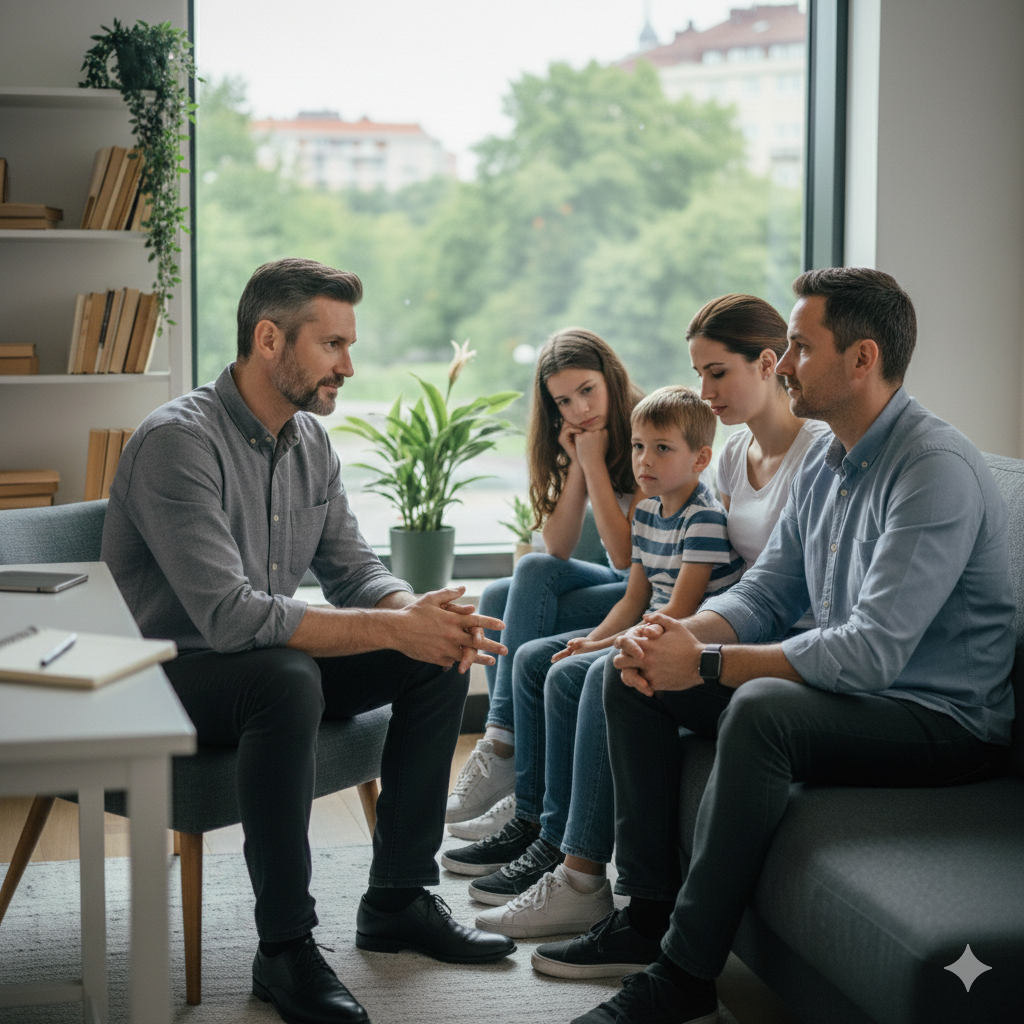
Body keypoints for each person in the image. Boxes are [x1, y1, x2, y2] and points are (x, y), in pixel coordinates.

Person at [565, 267, 1015, 1024]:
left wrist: (707, 663)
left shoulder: (931, 471)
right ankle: (648, 916)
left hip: (941, 720)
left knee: (766, 710)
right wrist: (677, 634)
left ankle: (683, 976)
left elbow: (872, 652)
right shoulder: (828, 459)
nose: (782, 362)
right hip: (860, 693)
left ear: (862, 359)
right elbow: (768, 593)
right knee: (627, 676)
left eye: (800, 348)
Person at [101, 258, 515, 1024]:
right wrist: (398, 622)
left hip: (261, 664)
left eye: (348, 346)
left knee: (435, 653)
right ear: (269, 339)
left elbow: (353, 568)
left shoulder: (308, 443)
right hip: (167, 676)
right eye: (332, 345)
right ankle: (284, 949)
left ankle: (397, 897)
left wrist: (416, 612)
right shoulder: (176, 443)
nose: (348, 366)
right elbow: (228, 618)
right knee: (286, 678)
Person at [473, 294, 826, 943]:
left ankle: (577, 870)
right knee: (541, 624)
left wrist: (667, 638)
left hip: (749, 646)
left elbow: (765, 593)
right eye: (699, 373)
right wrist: (644, 633)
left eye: (717, 372)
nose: (705, 389)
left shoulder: (817, 459)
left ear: (769, 363)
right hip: (714, 624)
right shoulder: (730, 456)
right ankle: (554, 842)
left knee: (598, 675)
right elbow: (672, 572)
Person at [457, 386, 743, 935]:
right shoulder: (647, 511)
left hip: (680, 639)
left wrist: (608, 648)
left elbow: (678, 614)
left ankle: (569, 854)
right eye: (638, 447)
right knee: (545, 656)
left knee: (570, 676)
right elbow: (634, 599)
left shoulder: (704, 518)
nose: (644, 461)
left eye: (662, 449)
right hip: (644, 623)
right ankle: (539, 824)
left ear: (700, 458)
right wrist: (593, 641)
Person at [444, 329, 644, 839]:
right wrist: (579, 464)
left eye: (587, 391)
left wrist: (594, 461)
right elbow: (557, 547)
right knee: (499, 593)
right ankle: (505, 750)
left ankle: (506, 749)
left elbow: (625, 554)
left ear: (611, 379)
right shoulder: (582, 440)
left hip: (653, 591)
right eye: (564, 401)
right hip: (620, 582)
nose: (578, 409)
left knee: (525, 576)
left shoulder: (648, 427)